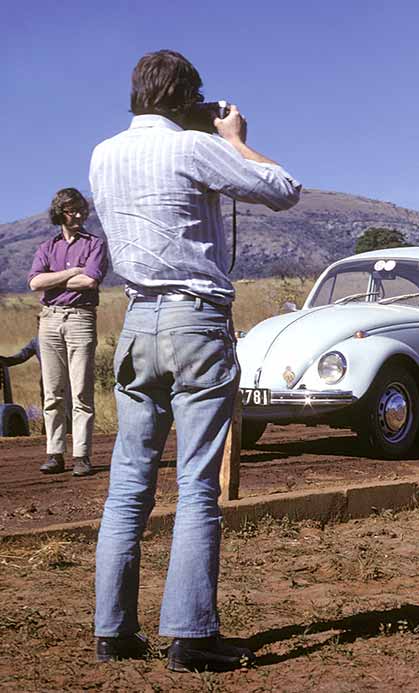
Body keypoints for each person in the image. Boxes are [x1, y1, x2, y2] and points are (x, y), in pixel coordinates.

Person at [89, 50, 301, 671]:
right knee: (197, 484)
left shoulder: (102, 155)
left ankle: (114, 630)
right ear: (185, 96)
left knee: (128, 485)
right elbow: (283, 190)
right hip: (195, 319)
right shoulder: (191, 149)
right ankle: (190, 634)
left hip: (136, 323)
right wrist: (235, 140)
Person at [28, 188, 108, 477]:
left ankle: (82, 455)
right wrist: (72, 272)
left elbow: (90, 281)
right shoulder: (47, 246)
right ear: (60, 212)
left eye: (81, 209)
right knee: (53, 392)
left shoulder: (95, 244)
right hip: (48, 320)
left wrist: (56, 280)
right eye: (72, 210)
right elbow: (36, 283)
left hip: (80, 318)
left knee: (81, 391)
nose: (78, 215)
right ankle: (54, 453)